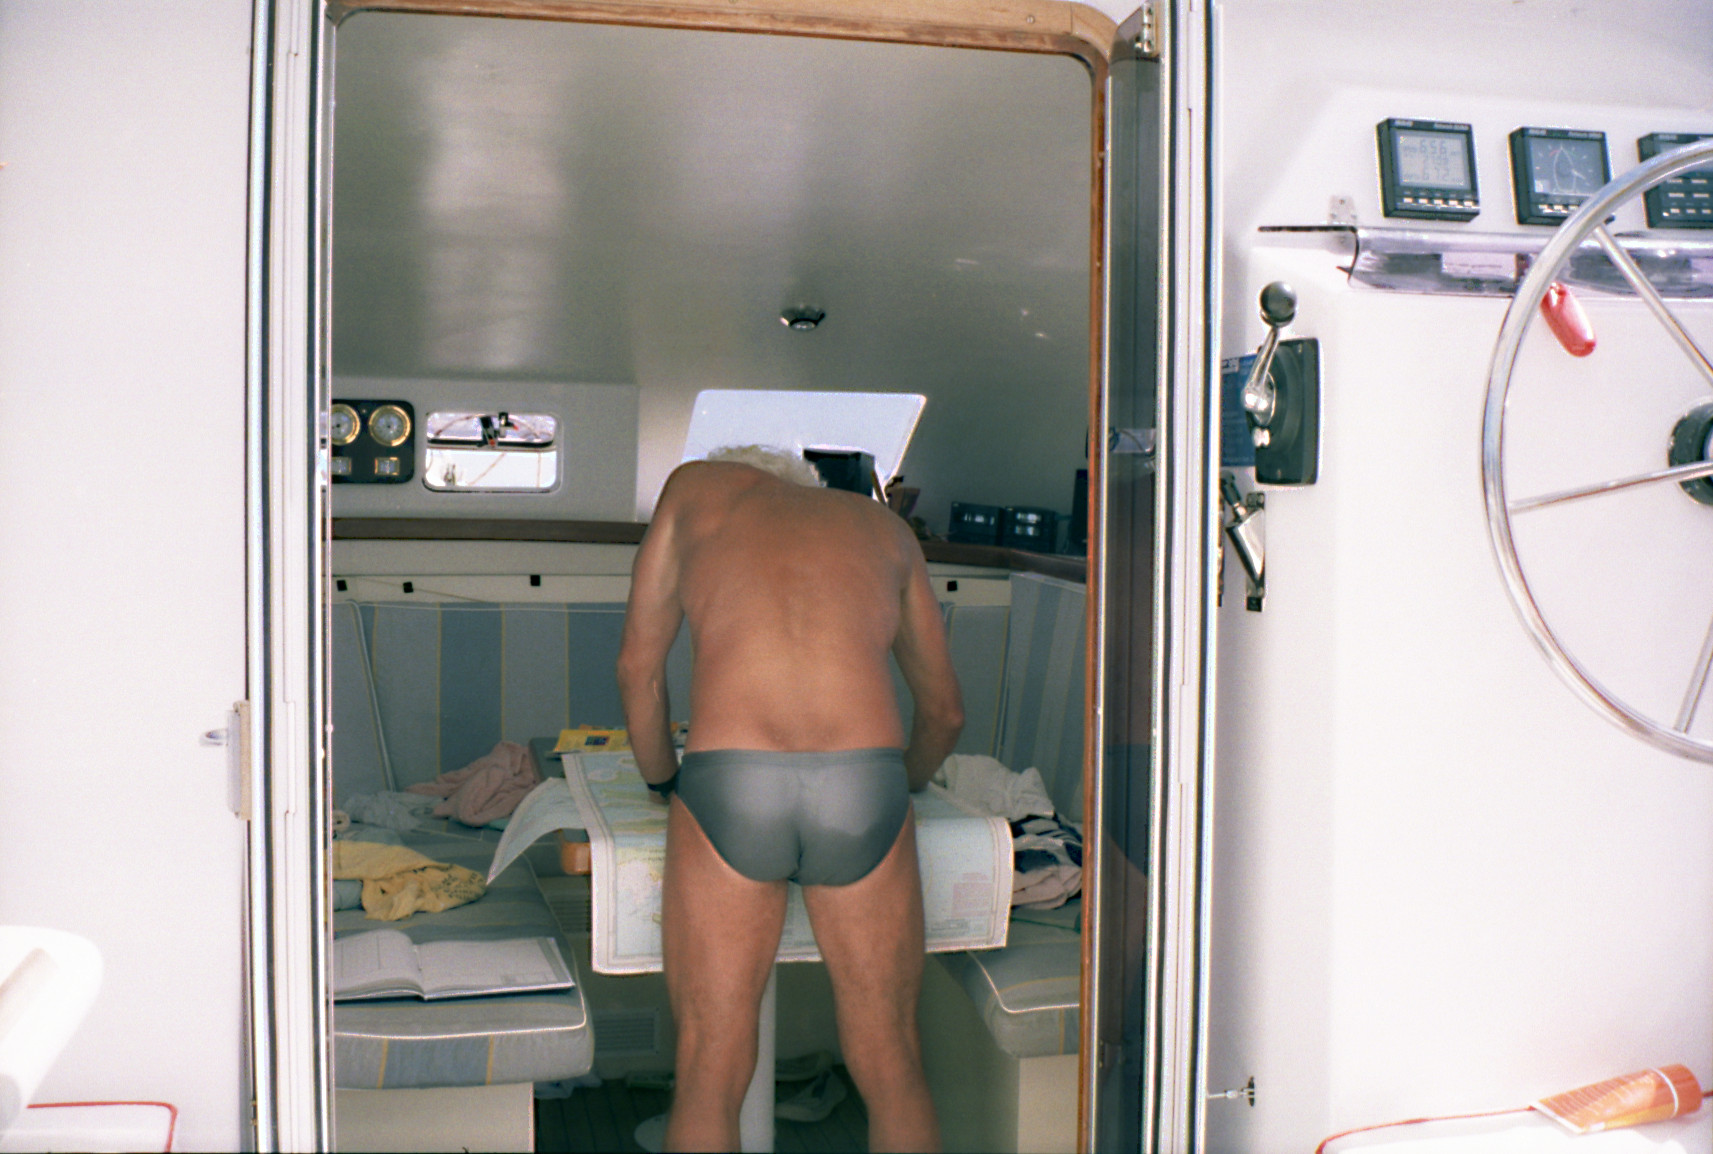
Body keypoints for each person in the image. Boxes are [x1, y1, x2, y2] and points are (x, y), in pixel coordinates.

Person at [616, 445, 964, 1153]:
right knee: (893, 1059)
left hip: (731, 781)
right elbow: (944, 713)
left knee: (708, 1067)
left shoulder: (694, 490)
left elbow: (638, 673)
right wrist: (901, 785)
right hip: (863, 786)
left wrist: (663, 782)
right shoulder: (886, 529)